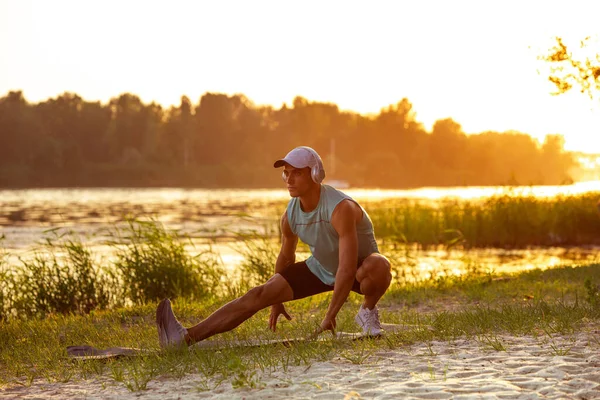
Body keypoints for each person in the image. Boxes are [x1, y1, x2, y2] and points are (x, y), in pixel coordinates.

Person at [156, 146, 392, 347]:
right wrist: (275, 299)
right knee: (259, 293)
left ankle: (367, 312)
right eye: (286, 174)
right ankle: (185, 338)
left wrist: (330, 316)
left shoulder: (341, 208)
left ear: (315, 174)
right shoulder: (289, 216)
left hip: (358, 271)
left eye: (296, 173)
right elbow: (285, 257)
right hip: (321, 267)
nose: (289, 180)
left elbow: (347, 268)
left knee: (379, 266)